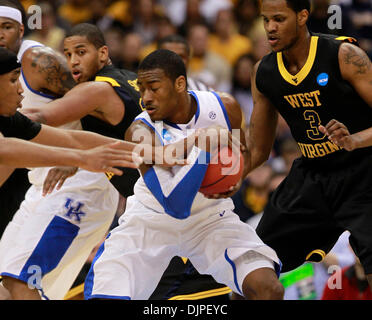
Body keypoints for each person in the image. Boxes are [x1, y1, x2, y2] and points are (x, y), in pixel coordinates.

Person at [84, 49, 284, 300]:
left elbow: (242, 159)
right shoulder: (139, 131)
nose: (145, 98)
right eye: (142, 88)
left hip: (211, 218)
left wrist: (235, 178)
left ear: (180, 83)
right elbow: (174, 205)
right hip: (150, 221)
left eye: (153, 88)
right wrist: (203, 146)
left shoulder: (224, 107)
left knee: (268, 288)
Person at [0, 22, 144, 300]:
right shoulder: (126, 79)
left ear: (103, 53)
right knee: (9, 284)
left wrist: (78, 160)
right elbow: (81, 139)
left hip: (84, 189)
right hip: (67, 184)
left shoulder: (94, 89)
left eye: (81, 52)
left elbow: (41, 123)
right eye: (68, 54)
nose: (73, 61)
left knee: (21, 282)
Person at [245, 0, 372, 288]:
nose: (270, 28)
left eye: (279, 19)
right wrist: (229, 179)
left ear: (303, 16)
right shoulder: (263, 72)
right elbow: (259, 149)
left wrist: (355, 139)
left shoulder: (343, 55)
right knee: (254, 265)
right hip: (313, 176)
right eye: (266, 20)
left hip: (364, 171)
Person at [148, 34, 231, 301]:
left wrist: (234, 178)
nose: (175, 61)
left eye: (180, 57)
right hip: (162, 201)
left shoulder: (214, 99)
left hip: (208, 205)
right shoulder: (148, 105)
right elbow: (145, 153)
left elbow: (239, 149)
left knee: (216, 288)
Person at [0, 48, 140, 180]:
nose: (20, 89)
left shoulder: (12, 120)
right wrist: (80, 158)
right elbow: (4, 148)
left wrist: (152, 152)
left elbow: (73, 139)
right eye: (13, 80)